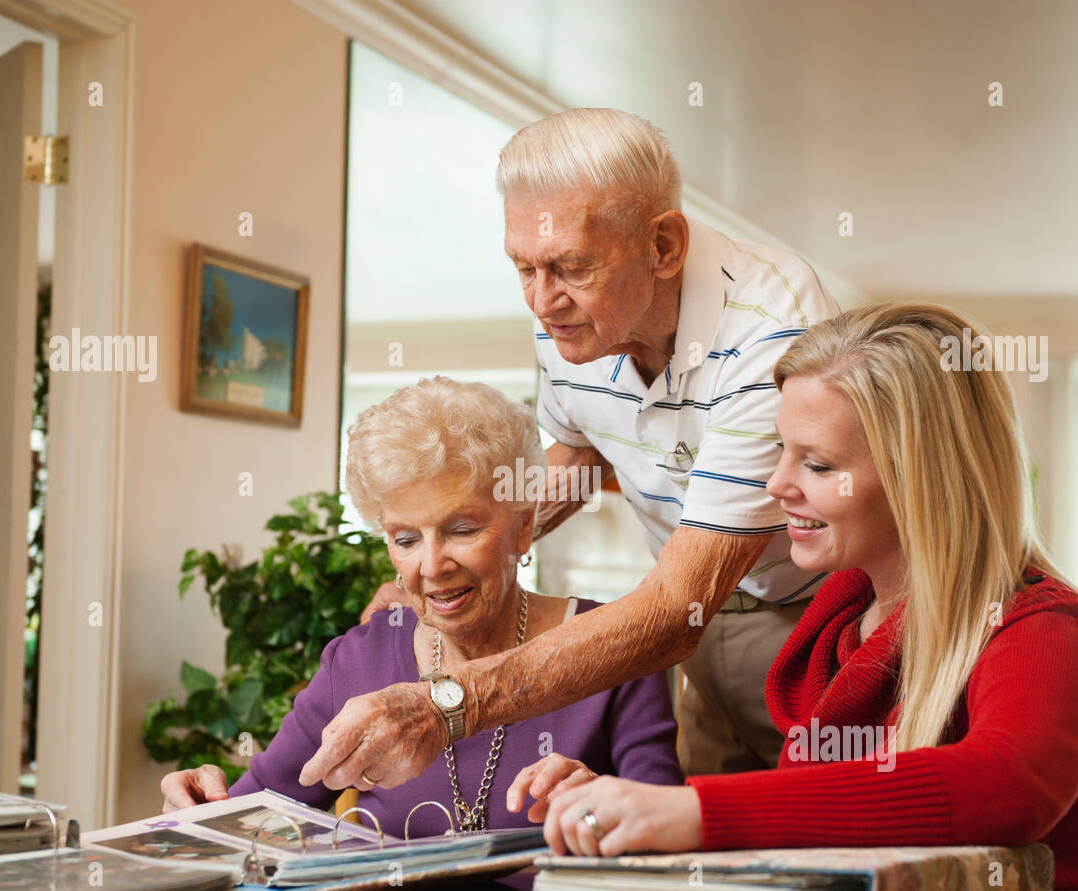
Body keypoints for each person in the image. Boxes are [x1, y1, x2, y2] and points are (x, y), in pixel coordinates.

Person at [515, 303, 1078, 891]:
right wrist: (616, 806)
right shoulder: (835, 628)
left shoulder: (1047, 630)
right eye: (782, 450)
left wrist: (692, 812)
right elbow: (820, 829)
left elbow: (1002, 785)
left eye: (817, 463)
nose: (776, 485)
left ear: (916, 476)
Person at [310, 107, 842, 799]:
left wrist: (447, 702)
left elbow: (677, 602)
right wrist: (468, 547)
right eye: (523, 268)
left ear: (663, 246)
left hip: (822, 627)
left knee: (831, 851)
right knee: (720, 870)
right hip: (707, 634)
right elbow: (581, 450)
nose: (541, 300)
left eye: (568, 267)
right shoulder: (574, 320)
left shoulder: (775, 333)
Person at [159, 377, 682, 835]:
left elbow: (664, 842)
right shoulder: (357, 660)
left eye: (461, 529)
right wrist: (202, 802)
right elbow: (258, 812)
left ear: (524, 526)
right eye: (406, 539)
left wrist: (599, 802)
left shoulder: (613, 648)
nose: (432, 565)